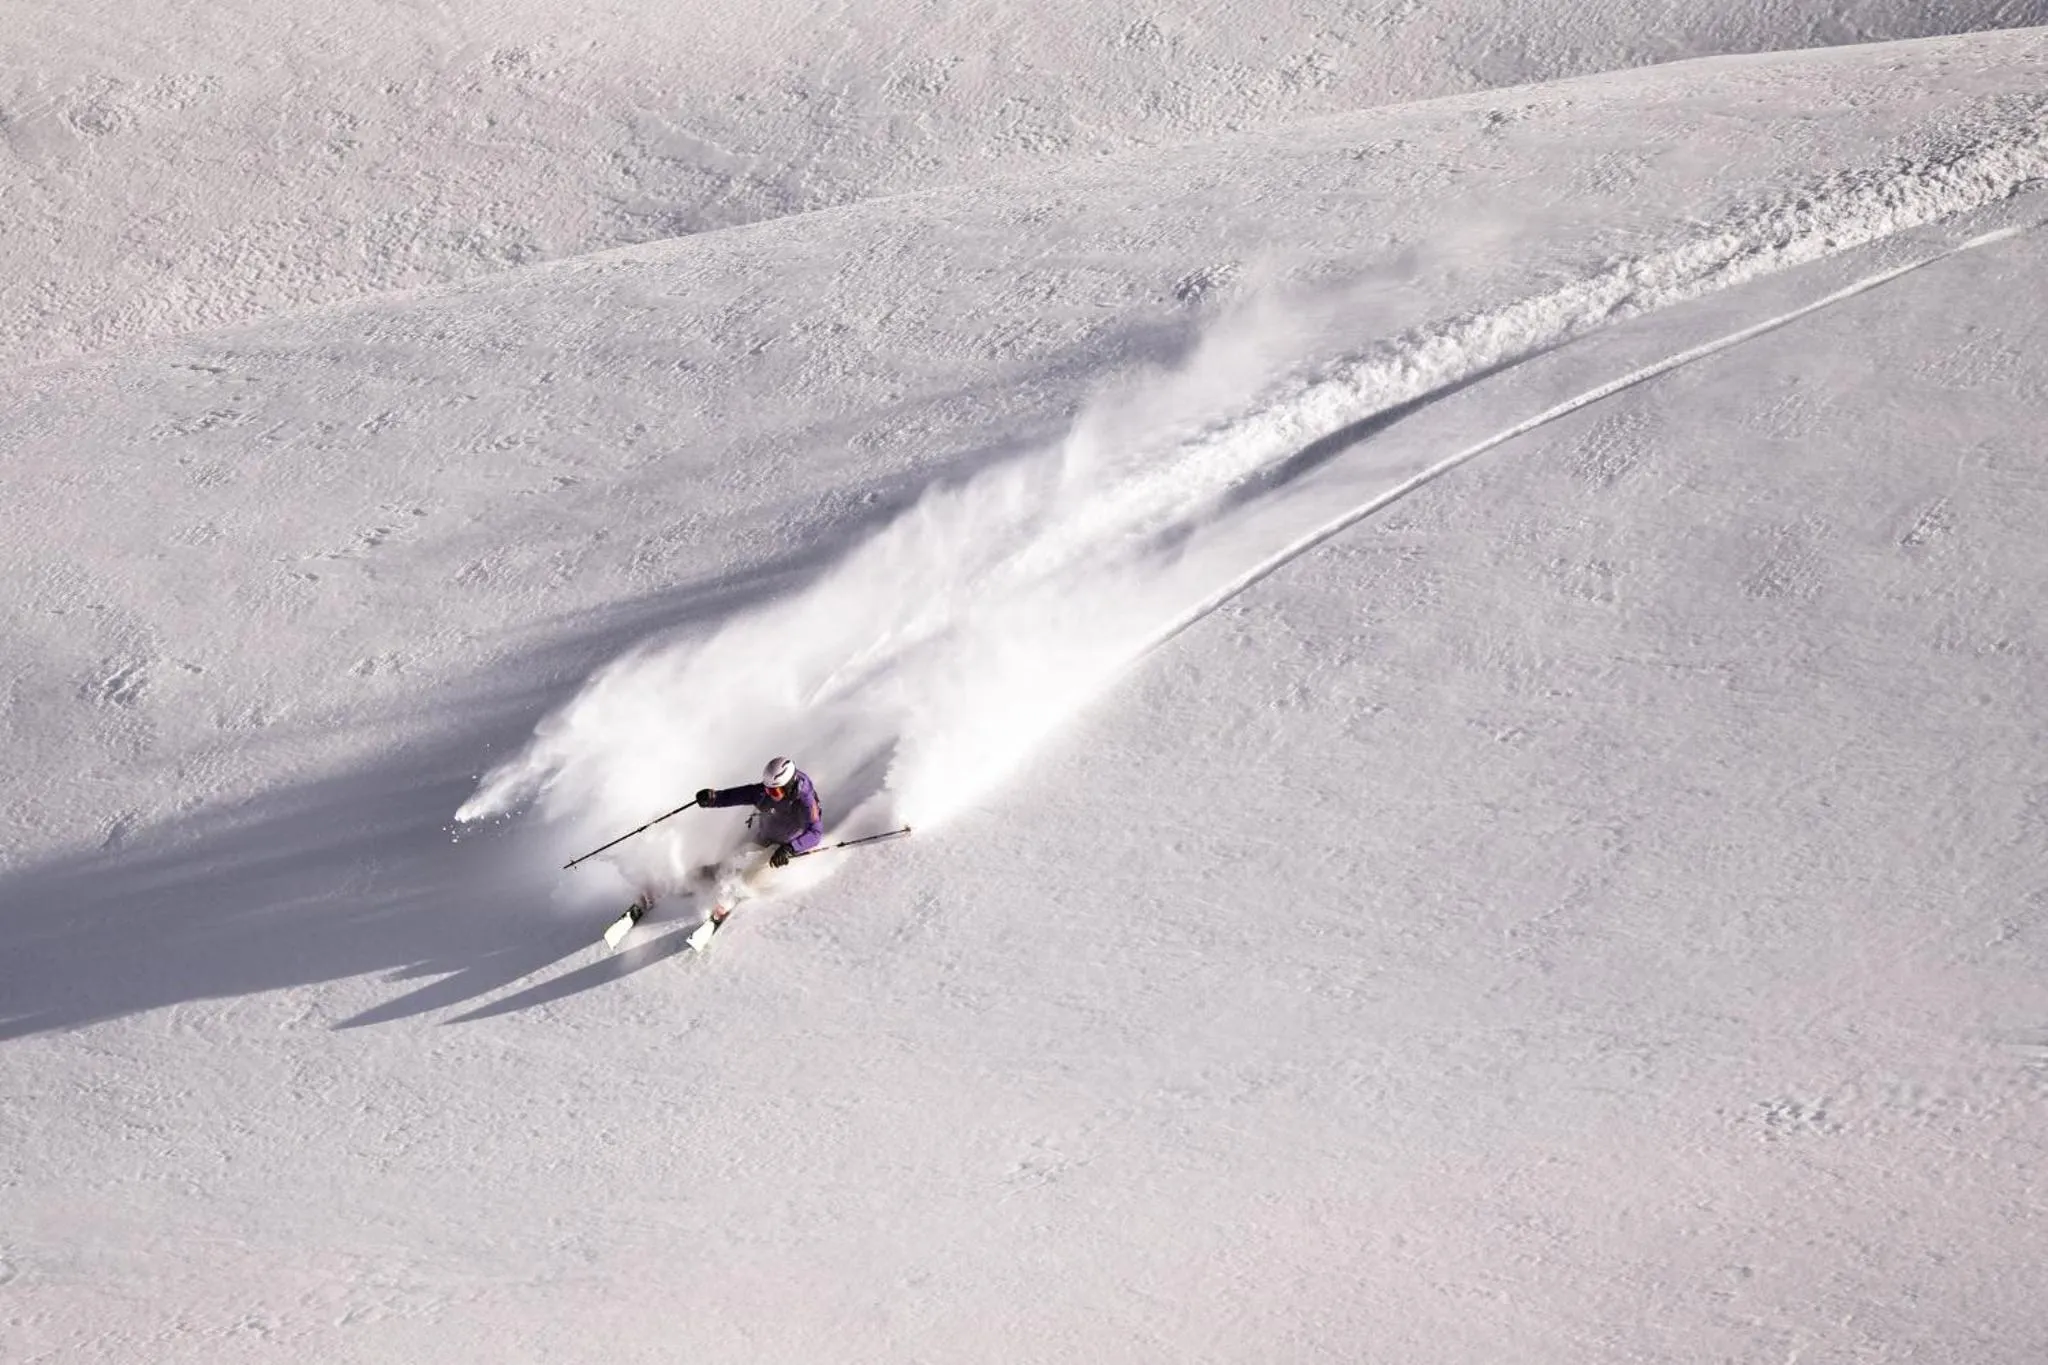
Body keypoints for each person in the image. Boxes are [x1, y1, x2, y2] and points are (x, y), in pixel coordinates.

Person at [693, 756, 824, 924]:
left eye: (775, 791)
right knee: (735, 861)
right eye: (768, 789)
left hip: (784, 847)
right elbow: (740, 795)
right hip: (766, 836)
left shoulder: (805, 800)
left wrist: (791, 848)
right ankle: (704, 875)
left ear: (789, 785)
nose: (770, 794)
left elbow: (815, 832)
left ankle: (731, 899)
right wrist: (714, 798)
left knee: (751, 879)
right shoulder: (768, 790)